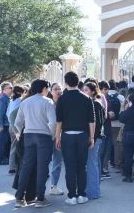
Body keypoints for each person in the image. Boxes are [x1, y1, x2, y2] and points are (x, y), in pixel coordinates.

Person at [13, 79, 57, 208]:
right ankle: (40, 198)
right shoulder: (48, 102)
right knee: (42, 168)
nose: (48, 90)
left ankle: (19, 198)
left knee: (26, 167)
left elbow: (17, 122)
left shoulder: (25, 102)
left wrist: (19, 133)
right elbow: (53, 122)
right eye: (47, 88)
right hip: (43, 136)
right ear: (44, 88)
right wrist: (52, 135)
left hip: (28, 136)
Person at [55, 71, 95, 205]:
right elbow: (91, 120)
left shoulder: (62, 99)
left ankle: (72, 196)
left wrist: (57, 137)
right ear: (78, 82)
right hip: (83, 136)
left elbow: (59, 121)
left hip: (67, 136)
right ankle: (82, 195)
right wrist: (92, 137)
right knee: (82, 166)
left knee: (70, 167)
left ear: (66, 83)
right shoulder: (86, 98)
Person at [82, 82, 105, 199]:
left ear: (92, 91)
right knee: (94, 163)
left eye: (86, 90)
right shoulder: (94, 103)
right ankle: (94, 189)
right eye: (83, 90)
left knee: (92, 164)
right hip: (95, 137)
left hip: (95, 138)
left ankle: (93, 192)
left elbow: (98, 123)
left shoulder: (95, 103)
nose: (83, 92)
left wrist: (92, 139)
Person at [48, 83, 65, 196]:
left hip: (61, 137)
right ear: (51, 91)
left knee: (57, 162)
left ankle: (53, 186)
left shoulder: (64, 103)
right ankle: (38, 187)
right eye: (55, 89)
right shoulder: (47, 104)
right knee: (44, 162)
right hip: (47, 136)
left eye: (59, 89)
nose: (58, 91)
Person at [8, 86, 25, 174]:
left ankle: (12, 166)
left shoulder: (11, 101)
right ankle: (13, 167)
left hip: (11, 126)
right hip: (16, 126)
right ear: (21, 92)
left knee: (13, 146)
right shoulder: (20, 101)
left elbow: (8, 114)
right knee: (16, 147)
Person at [0, 82, 13, 165]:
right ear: (4, 89)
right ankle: (0, 159)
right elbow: (0, 113)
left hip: (7, 124)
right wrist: (0, 125)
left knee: (6, 142)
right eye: (10, 88)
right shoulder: (2, 98)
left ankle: (5, 158)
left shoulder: (7, 98)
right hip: (4, 124)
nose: (11, 89)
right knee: (2, 142)